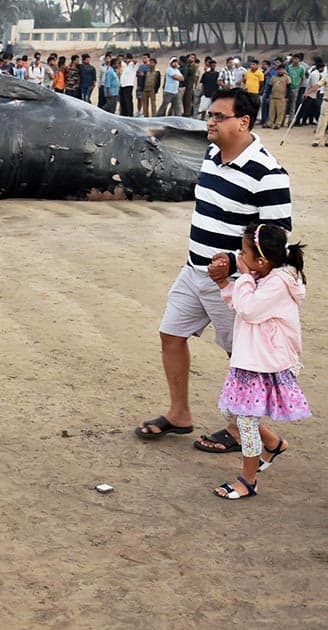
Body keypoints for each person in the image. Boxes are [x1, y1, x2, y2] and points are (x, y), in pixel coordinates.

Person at [135, 88, 293, 456]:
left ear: (243, 122)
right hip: (193, 272)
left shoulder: (269, 173)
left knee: (242, 359)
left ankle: (242, 430)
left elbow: (275, 240)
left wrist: (236, 262)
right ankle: (179, 414)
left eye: (219, 117)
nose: (210, 121)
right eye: (209, 115)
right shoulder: (211, 154)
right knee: (171, 335)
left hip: (234, 285)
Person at [208, 222, 309, 499]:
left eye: (244, 252)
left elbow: (249, 309)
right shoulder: (262, 277)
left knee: (246, 422)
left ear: (262, 260)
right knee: (231, 412)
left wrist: (242, 276)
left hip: (264, 363)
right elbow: (241, 305)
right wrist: (223, 283)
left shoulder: (277, 282)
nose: (240, 257)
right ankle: (274, 444)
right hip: (251, 360)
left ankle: (247, 481)